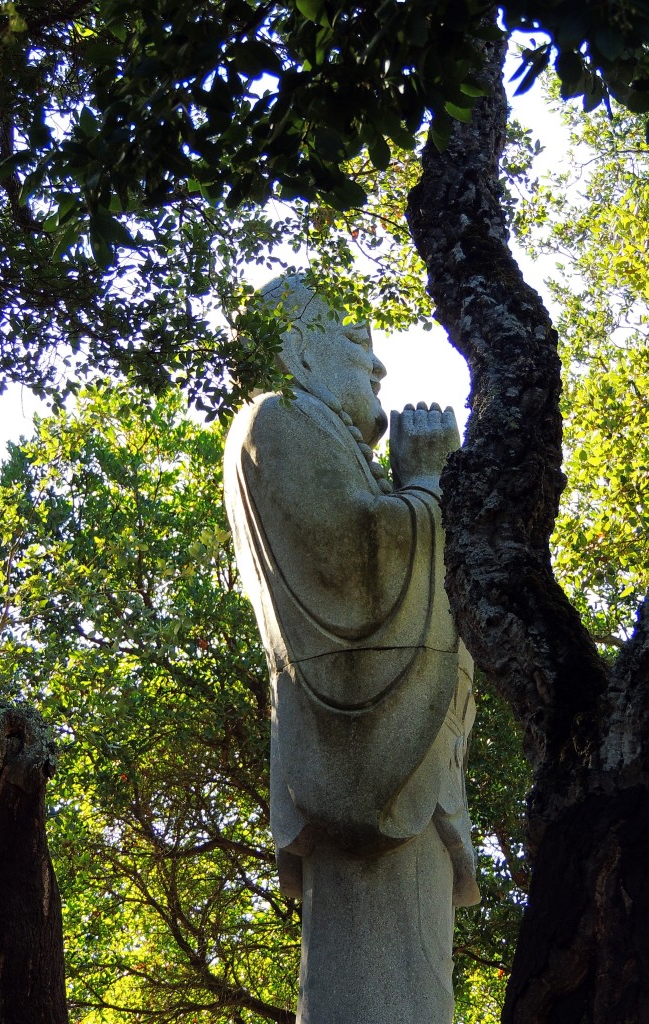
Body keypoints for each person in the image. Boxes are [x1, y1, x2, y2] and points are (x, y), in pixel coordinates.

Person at [224, 275, 478, 1024]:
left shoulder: (315, 431)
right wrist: (427, 483)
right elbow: (354, 567)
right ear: (296, 352)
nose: (378, 365)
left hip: (415, 772)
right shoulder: (280, 419)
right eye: (348, 336)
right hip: (367, 758)